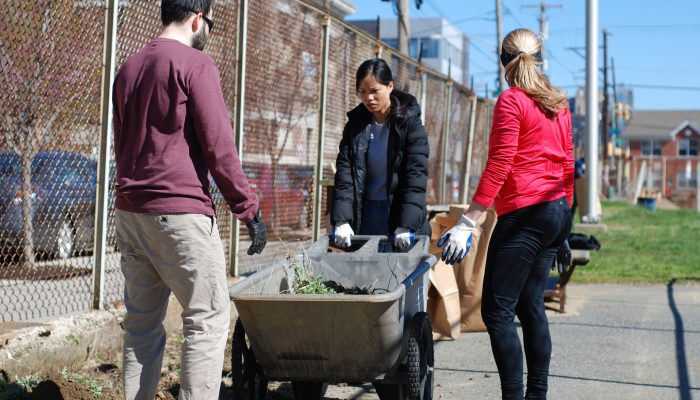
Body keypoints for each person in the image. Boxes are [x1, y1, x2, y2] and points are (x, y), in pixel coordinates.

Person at [111, 1, 267, 399]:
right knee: (207, 319)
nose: (209, 33)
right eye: (210, 24)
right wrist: (248, 209)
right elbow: (219, 147)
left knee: (141, 325)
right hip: (179, 212)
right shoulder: (196, 65)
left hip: (131, 211)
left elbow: (123, 142)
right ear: (198, 18)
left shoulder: (127, 68)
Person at [437, 29, 574, 400]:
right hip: (556, 210)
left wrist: (469, 220)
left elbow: (500, 164)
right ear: (540, 58)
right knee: (531, 305)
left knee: (498, 314)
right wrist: (564, 227)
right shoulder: (558, 104)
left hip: (527, 216)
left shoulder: (512, 100)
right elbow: (567, 164)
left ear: (503, 63)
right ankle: (537, 395)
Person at [331, 58, 430, 250]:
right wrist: (342, 220)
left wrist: (406, 223)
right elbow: (345, 174)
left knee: (398, 274)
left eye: (375, 90)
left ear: (390, 86)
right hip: (365, 212)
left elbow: (416, 175)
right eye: (362, 92)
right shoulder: (355, 126)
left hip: (396, 211)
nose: (369, 98)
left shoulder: (410, 125)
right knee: (364, 275)